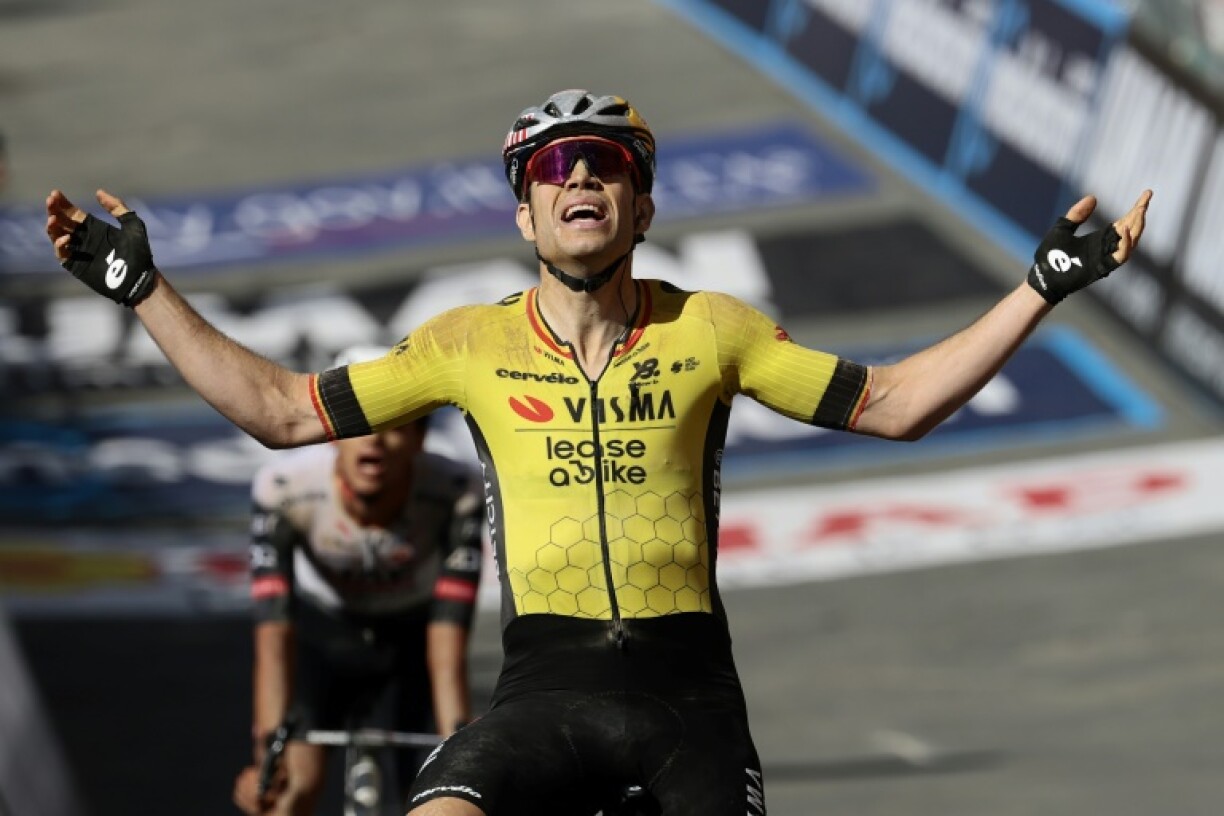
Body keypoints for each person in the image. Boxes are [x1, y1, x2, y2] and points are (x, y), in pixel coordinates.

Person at [46, 88, 1151, 816]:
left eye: (607, 163)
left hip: (691, 703)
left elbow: (899, 403)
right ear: (525, 215)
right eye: (553, 166)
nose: (580, 177)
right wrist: (144, 289)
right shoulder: (465, 344)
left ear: (641, 201)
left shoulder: (712, 328)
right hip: (545, 687)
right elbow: (286, 412)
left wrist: (1042, 285)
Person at [230, 346, 484, 816]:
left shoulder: (455, 491)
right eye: (358, 427)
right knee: (284, 796)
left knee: (445, 801)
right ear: (331, 437)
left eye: (395, 425)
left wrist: (457, 744)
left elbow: (448, 639)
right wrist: (267, 760)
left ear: (420, 439)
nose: (374, 442)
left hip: (411, 646)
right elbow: (273, 634)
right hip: (321, 640)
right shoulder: (284, 490)